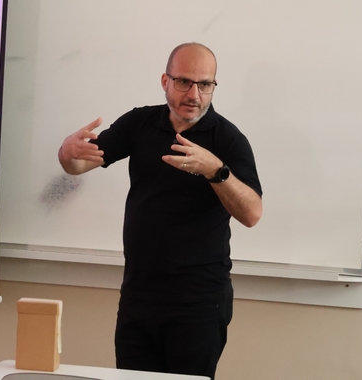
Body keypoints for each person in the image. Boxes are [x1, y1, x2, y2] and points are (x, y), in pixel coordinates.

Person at [57, 42, 262, 380]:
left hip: (198, 303)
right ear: (165, 81)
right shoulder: (140, 123)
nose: (194, 94)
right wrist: (67, 152)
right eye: (184, 82)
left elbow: (252, 213)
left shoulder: (227, 139)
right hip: (139, 297)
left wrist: (216, 171)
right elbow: (78, 165)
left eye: (204, 84)